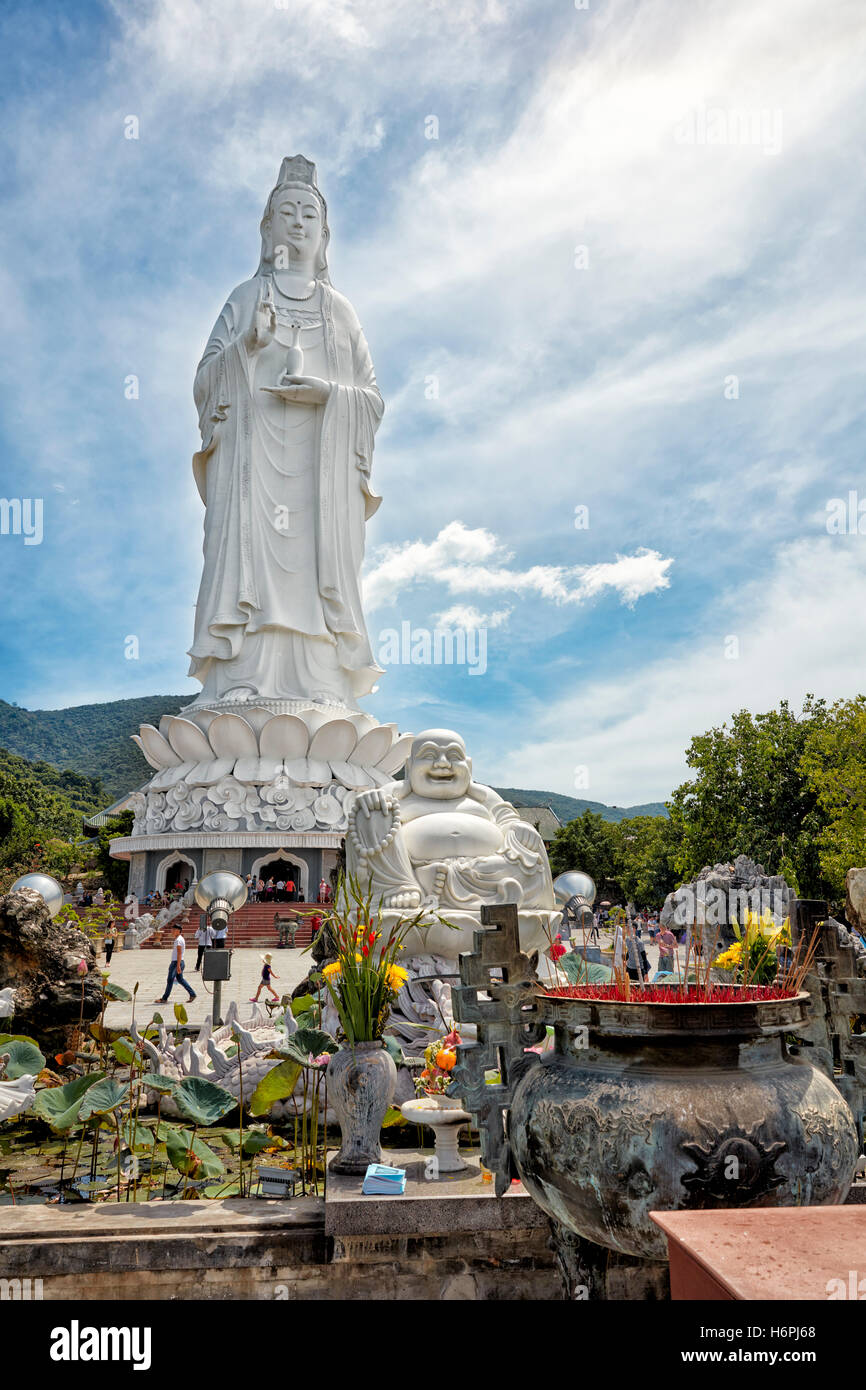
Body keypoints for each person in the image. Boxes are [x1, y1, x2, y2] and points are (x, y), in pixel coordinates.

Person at [154, 925, 197, 1003]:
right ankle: (192, 994)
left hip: (176, 962)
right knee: (180, 979)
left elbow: (179, 953)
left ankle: (164, 998)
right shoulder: (179, 939)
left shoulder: (178, 940)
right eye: (172, 929)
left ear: (178, 931)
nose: (172, 931)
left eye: (174, 929)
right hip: (178, 962)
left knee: (170, 979)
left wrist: (178, 965)